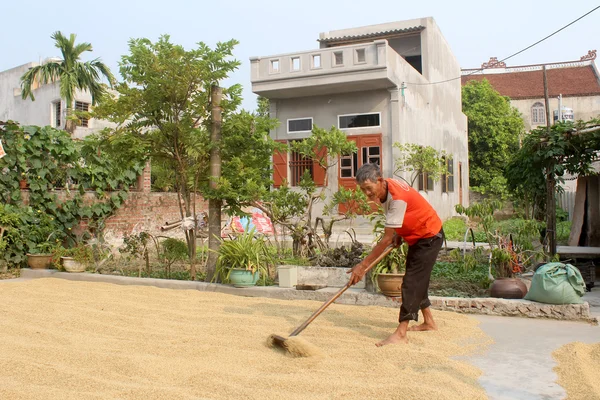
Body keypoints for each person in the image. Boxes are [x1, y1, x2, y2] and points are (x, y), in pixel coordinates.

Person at [347, 163, 444, 346]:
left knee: (411, 282)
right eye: (363, 190)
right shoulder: (387, 189)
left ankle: (401, 333)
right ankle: (429, 322)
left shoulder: (397, 197)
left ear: (380, 181)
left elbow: (385, 240)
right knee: (417, 279)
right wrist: (400, 233)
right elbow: (405, 215)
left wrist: (362, 266)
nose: (367, 193)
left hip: (429, 236)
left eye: (369, 188)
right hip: (417, 236)